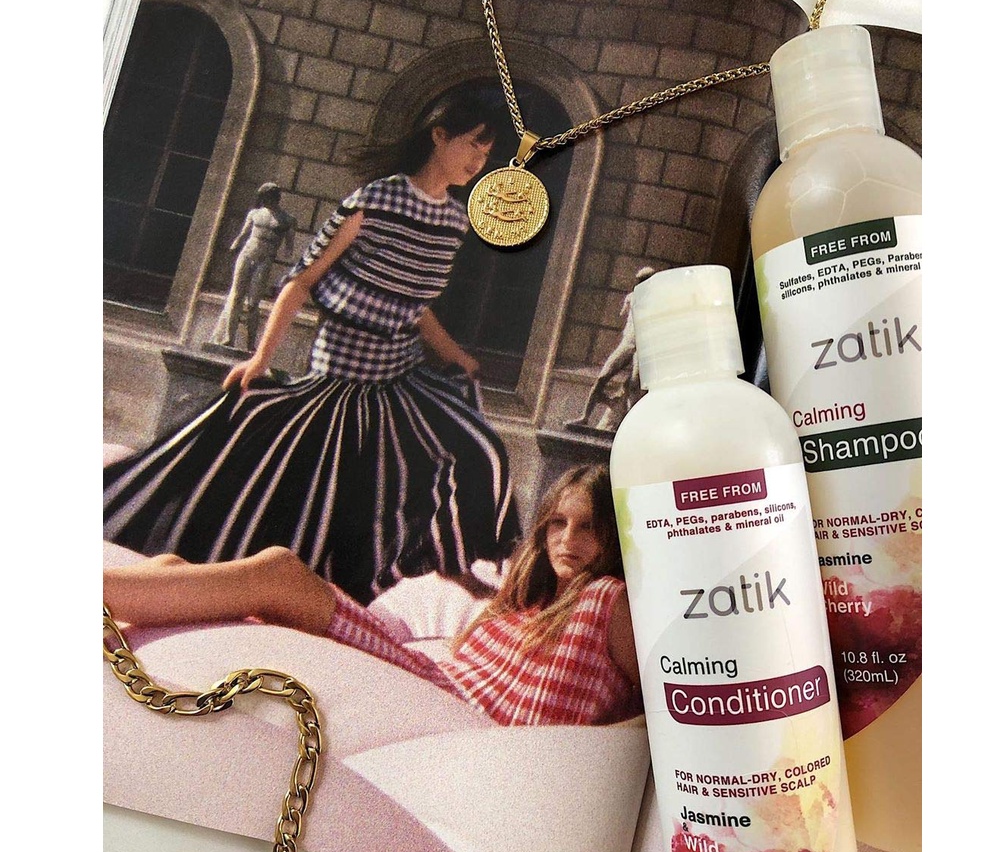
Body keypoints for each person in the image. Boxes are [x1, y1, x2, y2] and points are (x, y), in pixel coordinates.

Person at [104, 88, 520, 604]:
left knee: (482, 450)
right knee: (308, 492)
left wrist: (452, 353)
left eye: (487, 152)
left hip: (398, 377)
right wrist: (261, 358)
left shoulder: (454, 221)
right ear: (439, 136)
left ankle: (452, 560)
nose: (479, 161)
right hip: (338, 376)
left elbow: (415, 304)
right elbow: (300, 281)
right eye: (473, 145)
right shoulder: (373, 201)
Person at [104, 465, 642, 728]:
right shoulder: (529, 602)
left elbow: (666, 702)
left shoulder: (608, 599)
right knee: (178, 569)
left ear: (615, 538)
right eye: (558, 524)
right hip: (430, 682)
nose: (568, 540)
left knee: (280, 573)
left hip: (451, 714)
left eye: (589, 528)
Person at [211, 181, 297, 351]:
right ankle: (228, 338)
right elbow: (244, 233)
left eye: (266, 197)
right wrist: (235, 244)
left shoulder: (287, 219)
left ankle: (250, 343)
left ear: (274, 197)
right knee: (236, 295)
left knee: (253, 302)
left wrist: (289, 255)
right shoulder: (255, 213)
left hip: (265, 259)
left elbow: (289, 244)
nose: (264, 200)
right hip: (247, 254)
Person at [574, 266, 656, 429]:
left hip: (642, 348)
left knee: (634, 386)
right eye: (640, 281)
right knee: (602, 377)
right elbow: (623, 315)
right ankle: (585, 416)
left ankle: (629, 424)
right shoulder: (631, 298)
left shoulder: (656, 302)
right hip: (628, 343)